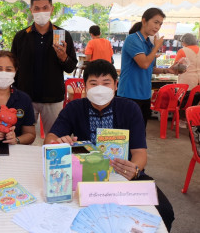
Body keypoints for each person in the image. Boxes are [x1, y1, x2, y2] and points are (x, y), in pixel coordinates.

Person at [45, 59, 175, 231]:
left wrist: (134, 169)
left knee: (165, 212)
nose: (100, 89)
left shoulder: (130, 109)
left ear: (115, 85)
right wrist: (58, 143)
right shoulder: (74, 108)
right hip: (85, 178)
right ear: (84, 86)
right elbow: (50, 139)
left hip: (124, 174)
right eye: (93, 83)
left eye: (106, 83)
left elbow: (139, 152)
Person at [11, 0, 77, 136]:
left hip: (53, 99)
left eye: (45, 8)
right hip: (25, 98)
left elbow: (71, 67)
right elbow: (13, 68)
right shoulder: (21, 37)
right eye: (37, 8)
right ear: (31, 10)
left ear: (52, 9)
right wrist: (14, 94)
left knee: (54, 139)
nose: (41, 12)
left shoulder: (63, 35)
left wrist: (63, 57)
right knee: (21, 138)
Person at [117, 8, 177, 126]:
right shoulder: (132, 39)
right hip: (129, 94)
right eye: (155, 22)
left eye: (160, 24)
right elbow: (144, 64)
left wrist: (166, 70)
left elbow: (149, 67)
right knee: (127, 134)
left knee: (140, 133)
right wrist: (156, 47)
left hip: (144, 94)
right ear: (144, 21)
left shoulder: (148, 43)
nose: (158, 27)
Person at [175, 33, 200, 115]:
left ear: (184, 42)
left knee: (184, 102)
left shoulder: (182, 51)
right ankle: (193, 120)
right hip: (199, 80)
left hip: (187, 80)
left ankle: (182, 119)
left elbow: (176, 66)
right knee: (197, 102)